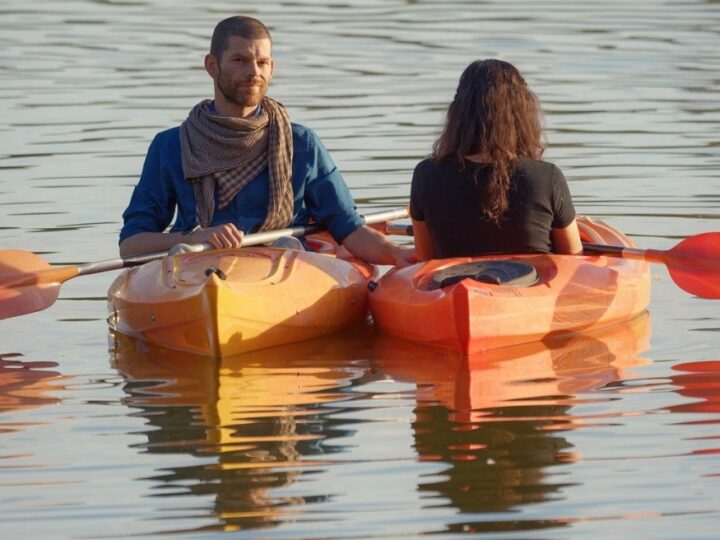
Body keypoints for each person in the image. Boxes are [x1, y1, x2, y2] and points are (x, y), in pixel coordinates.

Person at [119, 16, 413, 266]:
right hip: (197, 267)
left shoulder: (302, 143)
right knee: (181, 253)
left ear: (272, 67)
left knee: (288, 243)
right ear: (211, 65)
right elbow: (131, 244)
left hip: (285, 266)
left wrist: (402, 257)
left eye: (262, 62)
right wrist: (193, 237)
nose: (253, 72)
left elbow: (347, 226)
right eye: (240, 60)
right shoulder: (171, 145)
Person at [409, 59, 583, 261]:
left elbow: (426, 260)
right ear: (521, 113)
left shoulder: (426, 174)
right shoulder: (546, 176)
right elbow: (573, 259)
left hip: (453, 287)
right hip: (532, 288)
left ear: (458, 112)